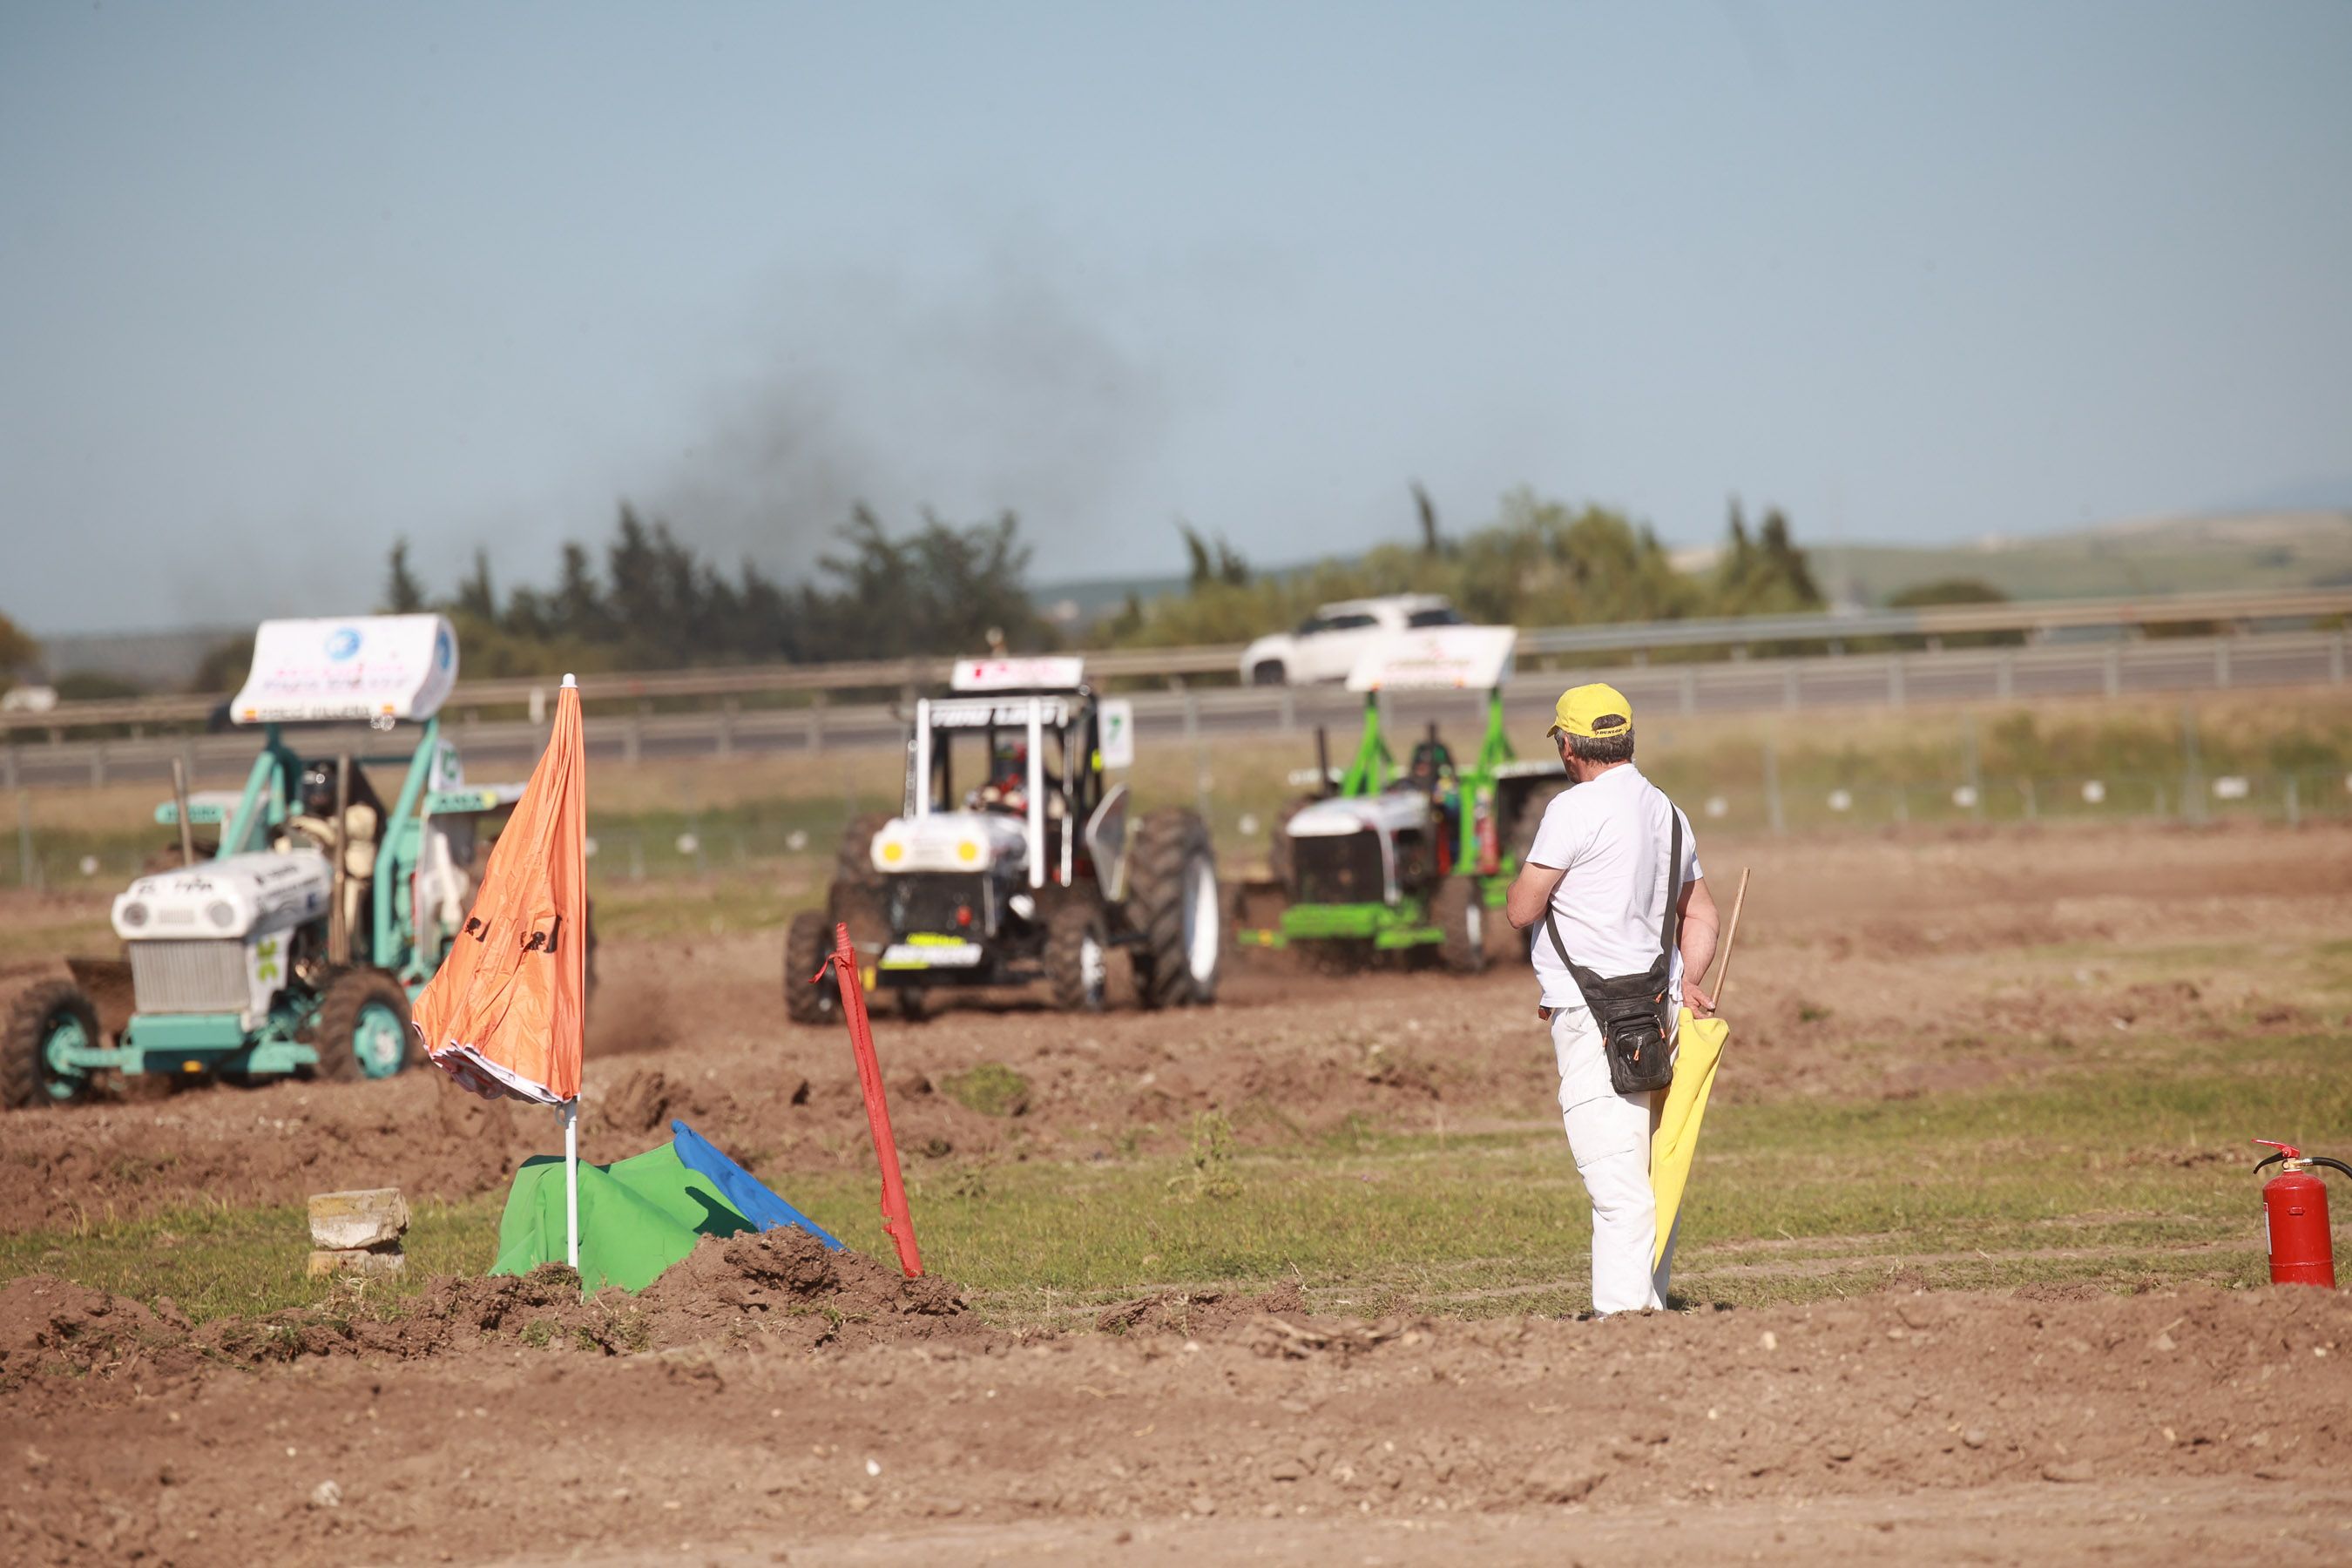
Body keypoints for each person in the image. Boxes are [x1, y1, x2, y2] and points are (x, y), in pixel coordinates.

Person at [1505, 683, 1720, 1315]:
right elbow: (1701, 914)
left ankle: (1625, 1326)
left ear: (1569, 748)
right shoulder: (1667, 811)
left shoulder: (1572, 811)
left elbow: (1521, 910)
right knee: (1652, 1171)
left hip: (1592, 1018)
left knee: (1616, 1182)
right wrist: (1690, 979)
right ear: (1627, 738)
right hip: (1663, 1012)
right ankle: (1645, 1306)